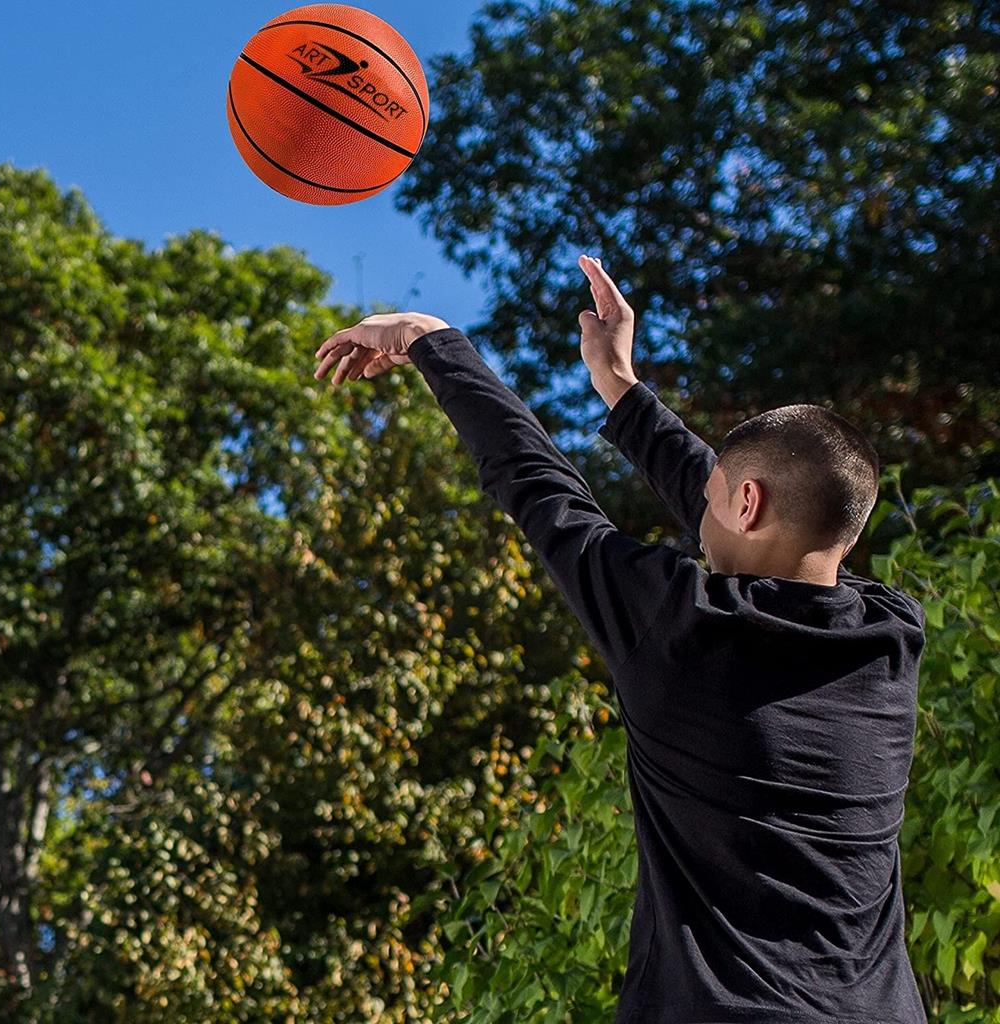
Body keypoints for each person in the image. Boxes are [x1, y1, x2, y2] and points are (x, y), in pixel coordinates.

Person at [313, 254, 928, 1024]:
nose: (696, 519)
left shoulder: (681, 630)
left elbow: (539, 486)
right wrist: (621, 389)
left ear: (743, 501)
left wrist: (431, 339)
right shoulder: (892, 637)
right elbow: (762, 522)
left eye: (708, 499)